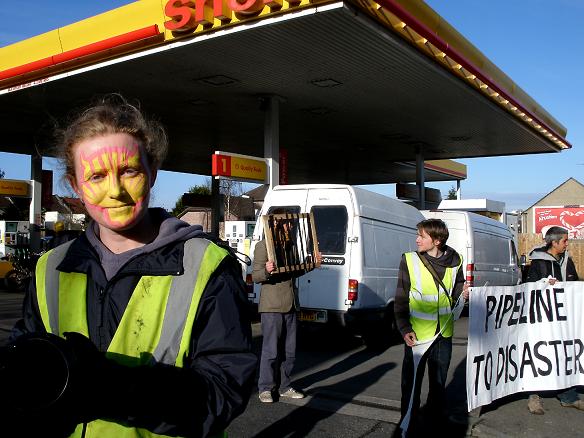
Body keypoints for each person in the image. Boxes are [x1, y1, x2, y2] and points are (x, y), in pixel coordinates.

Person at [5, 95, 256, 437]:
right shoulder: (50, 268)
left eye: (129, 171)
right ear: (75, 186)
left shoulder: (208, 267)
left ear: (152, 172)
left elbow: (224, 391)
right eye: (96, 177)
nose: (116, 191)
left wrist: (114, 388)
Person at [394, 219, 468, 434]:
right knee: (411, 386)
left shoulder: (457, 261)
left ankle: (433, 426)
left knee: (438, 386)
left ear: (436, 240)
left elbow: (456, 295)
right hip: (416, 335)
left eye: (422, 236)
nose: (417, 239)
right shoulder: (409, 260)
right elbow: (400, 298)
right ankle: (407, 424)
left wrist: (464, 296)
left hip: (443, 335)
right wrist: (404, 328)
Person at [252, 212, 320, 403]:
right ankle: (265, 388)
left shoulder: (290, 246)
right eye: (286, 224)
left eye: (290, 224)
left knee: (289, 352)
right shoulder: (263, 246)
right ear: (276, 225)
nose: (290, 227)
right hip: (272, 306)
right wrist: (266, 270)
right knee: (271, 351)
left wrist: (312, 264)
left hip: (291, 305)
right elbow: (256, 276)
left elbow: (295, 270)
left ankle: (285, 386)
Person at [525, 225, 582, 414]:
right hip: (543, 319)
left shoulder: (567, 261)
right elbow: (529, 288)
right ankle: (534, 396)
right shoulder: (538, 263)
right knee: (540, 355)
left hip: (564, 319)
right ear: (554, 242)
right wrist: (543, 285)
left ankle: (568, 395)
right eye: (564, 241)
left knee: (565, 353)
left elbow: (574, 285)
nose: (567, 244)